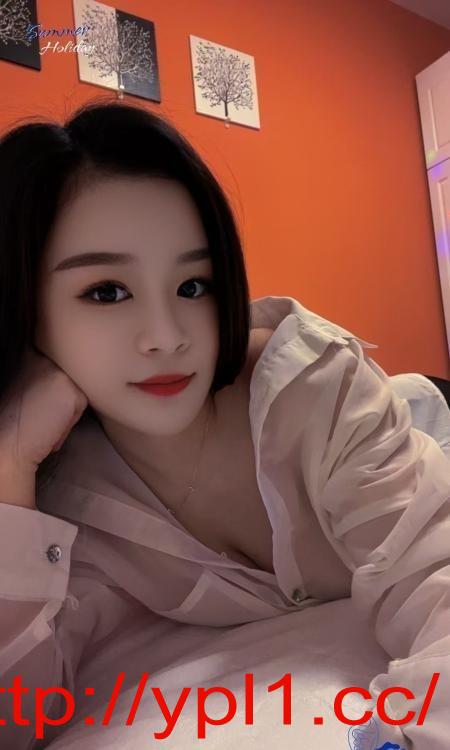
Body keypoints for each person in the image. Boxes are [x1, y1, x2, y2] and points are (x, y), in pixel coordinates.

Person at [0, 99, 449, 750]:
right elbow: (18, 713)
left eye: (194, 285)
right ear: (26, 309)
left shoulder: (309, 387)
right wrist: (10, 464)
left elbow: (435, 578)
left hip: (421, 422)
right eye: (107, 292)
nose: (167, 337)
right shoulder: (68, 500)